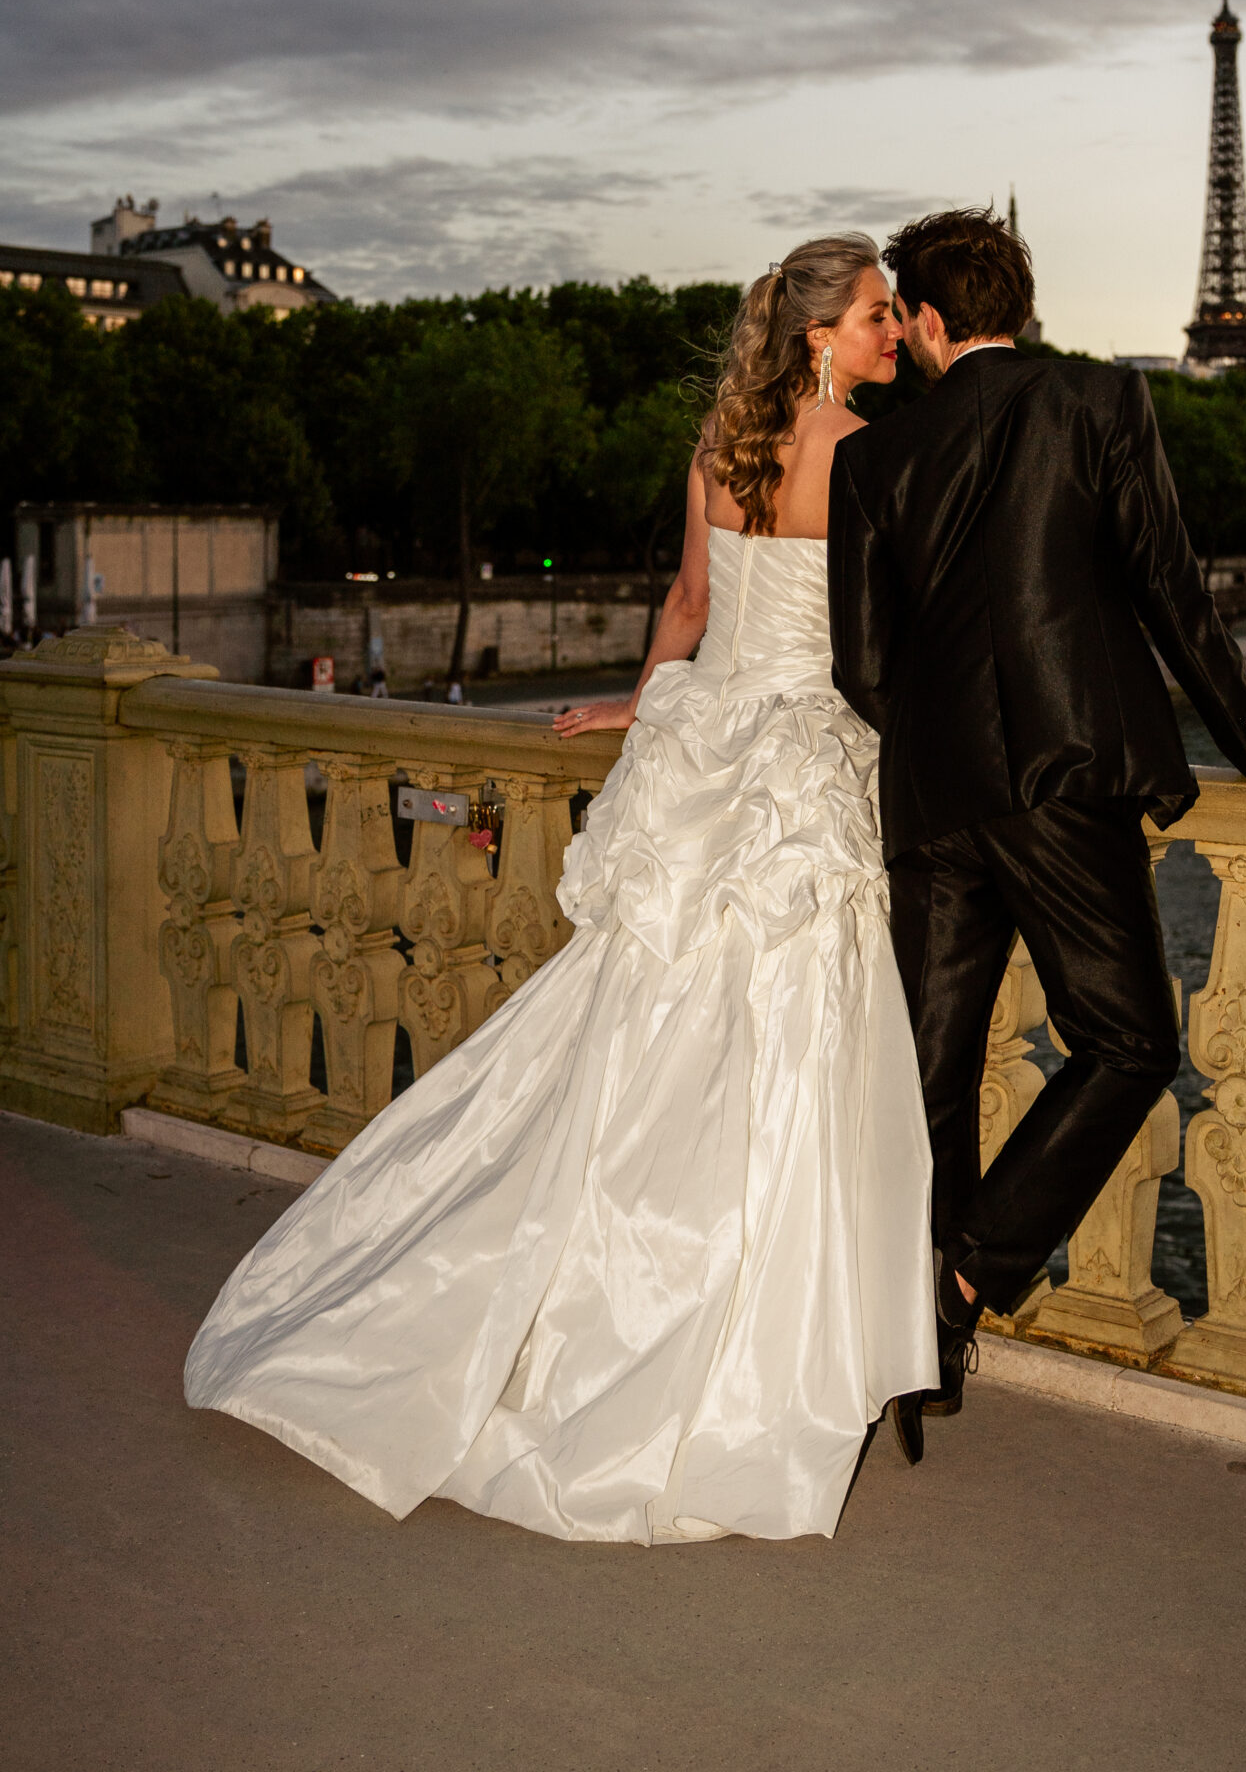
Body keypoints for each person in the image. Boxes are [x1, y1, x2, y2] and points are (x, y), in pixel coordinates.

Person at [184, 234, 937, 1543]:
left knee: (640, 1031)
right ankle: (753, 1321)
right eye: (876, 315)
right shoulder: (867, 452)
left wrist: (646, 715)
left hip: (711, 746)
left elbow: (692, 601)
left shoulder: (720, 443)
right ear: (821, 334)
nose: (891, 334)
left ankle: (597, 1286)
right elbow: (895, 630)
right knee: (789, 1042)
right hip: (802, 759)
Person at [828, 208, 1246, 1413]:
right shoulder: (1102, 403)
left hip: (935, 796)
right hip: (1063, 778)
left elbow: (861, 665)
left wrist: (943, 740)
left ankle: (918, 1348)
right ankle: (969, 1275)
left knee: (932, 1073)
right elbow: (1169, 591)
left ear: (932, 321)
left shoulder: (871, 458)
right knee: (1132, 1038)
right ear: (1022, 308)